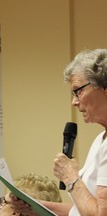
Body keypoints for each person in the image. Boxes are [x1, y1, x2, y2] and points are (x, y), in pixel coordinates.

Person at [9, 49, 107, 215]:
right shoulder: (100, 139)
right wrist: (36, 206)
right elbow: (81, 211)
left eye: (78, 91)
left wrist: (70, 177)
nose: (74, 102)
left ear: (104, 88)